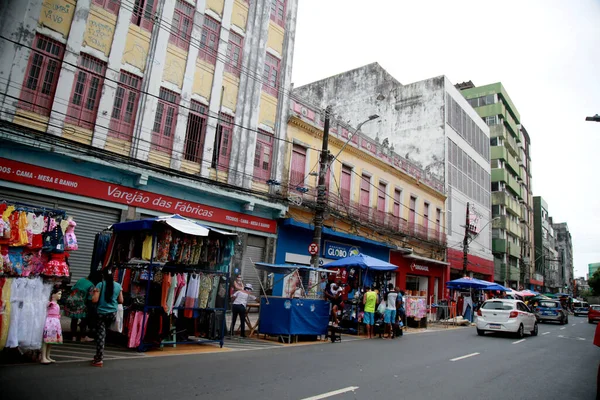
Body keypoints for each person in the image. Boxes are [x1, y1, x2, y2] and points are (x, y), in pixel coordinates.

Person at [91, 268, 123, 367]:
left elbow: (94, 300)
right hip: (112, 313)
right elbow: (121, 300)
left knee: (101, 335)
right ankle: (99, 355)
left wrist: (92, 295)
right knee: (105, 332)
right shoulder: (118, 286)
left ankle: (99, 359)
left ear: (103, 276)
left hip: (101, 313)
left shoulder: (100, 285)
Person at [63, 275, 95, 342]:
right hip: (80, 303)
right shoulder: (92, 285)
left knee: (74, 320)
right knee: (84, 320)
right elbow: (90, 298)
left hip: (71, 300)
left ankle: (73, 337)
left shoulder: (81, 280)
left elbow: (73, 288)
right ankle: (82, 337)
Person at [41, 288, 63, 364]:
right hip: (50, 322)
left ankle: (47, 356)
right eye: (59, 293)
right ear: (53, 295)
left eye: (60, 294)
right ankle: (43, 357)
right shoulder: (51, 304)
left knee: (51, 340)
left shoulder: (55, 304)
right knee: (46, 340)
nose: (60, 295)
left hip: (55, 322)